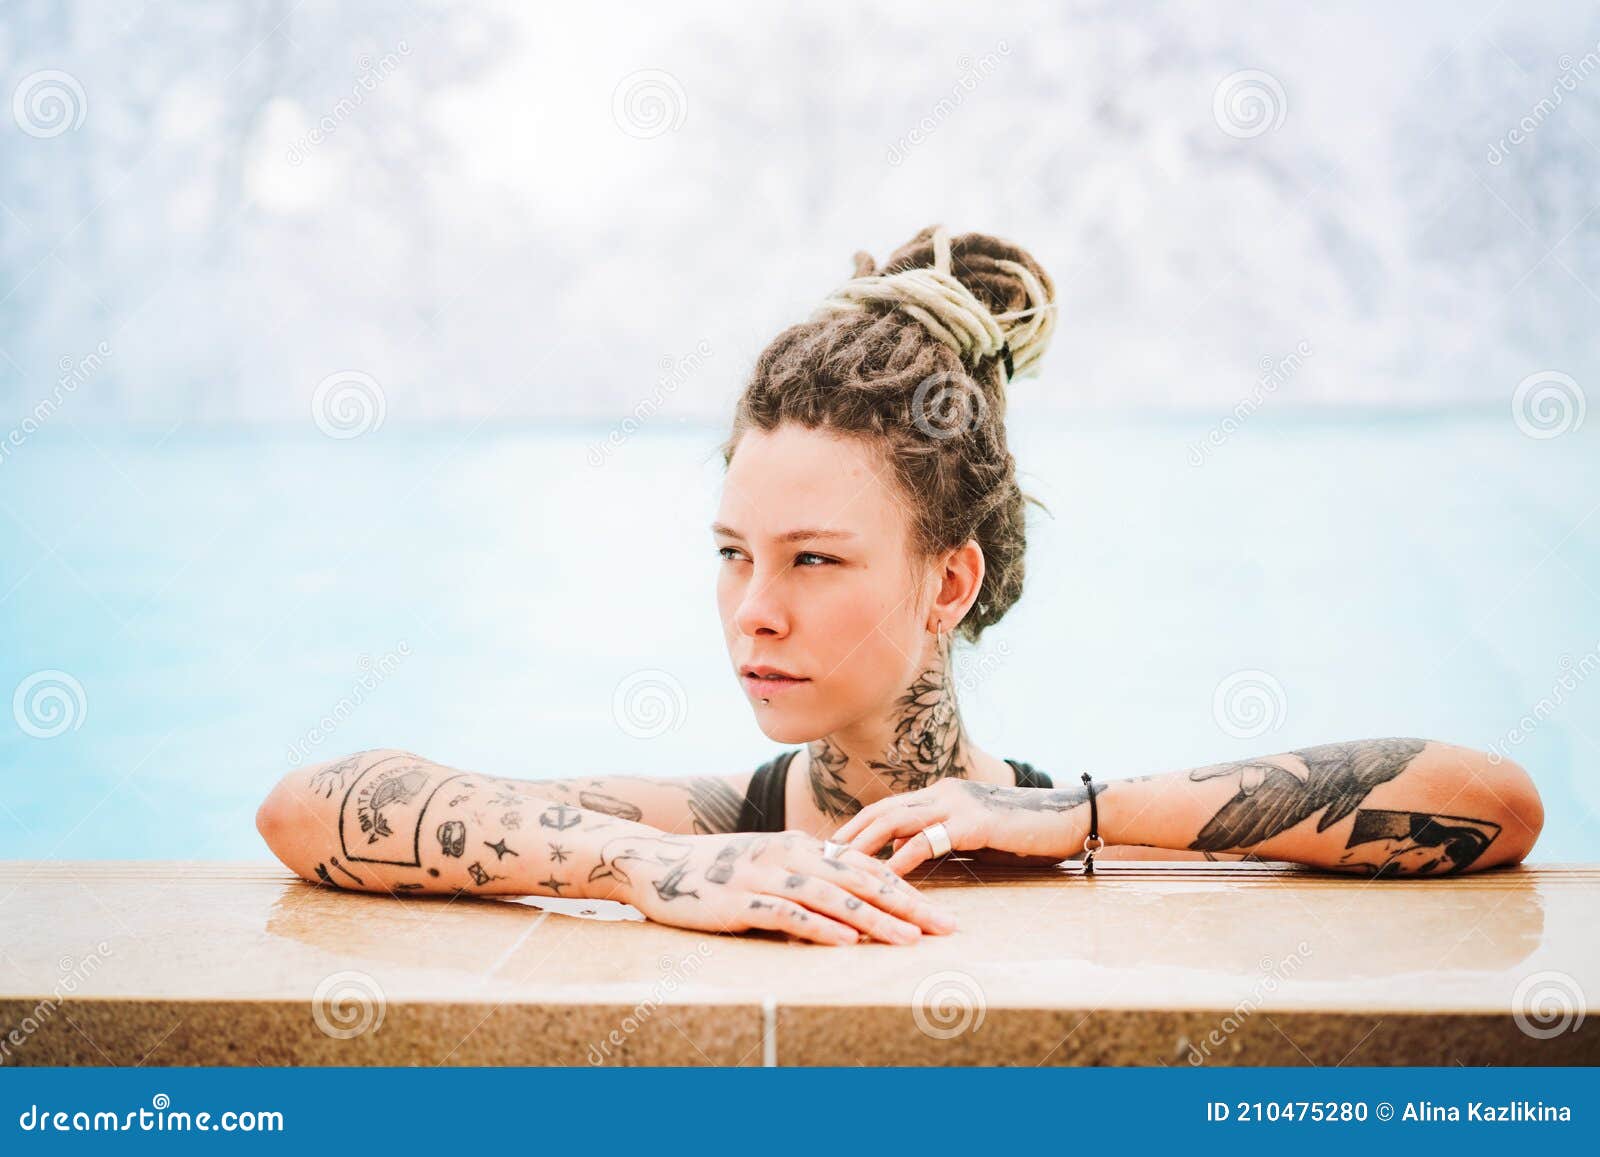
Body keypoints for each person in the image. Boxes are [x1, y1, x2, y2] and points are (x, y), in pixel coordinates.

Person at [255, 225, 1545, 946]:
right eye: (733, 555)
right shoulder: (709, 826)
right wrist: (640, 866)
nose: (754, 608)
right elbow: (305, 808)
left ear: (949, 583)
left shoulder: (1064, 828)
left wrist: (1078, 819)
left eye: (814, 560)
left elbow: (1490, 803)